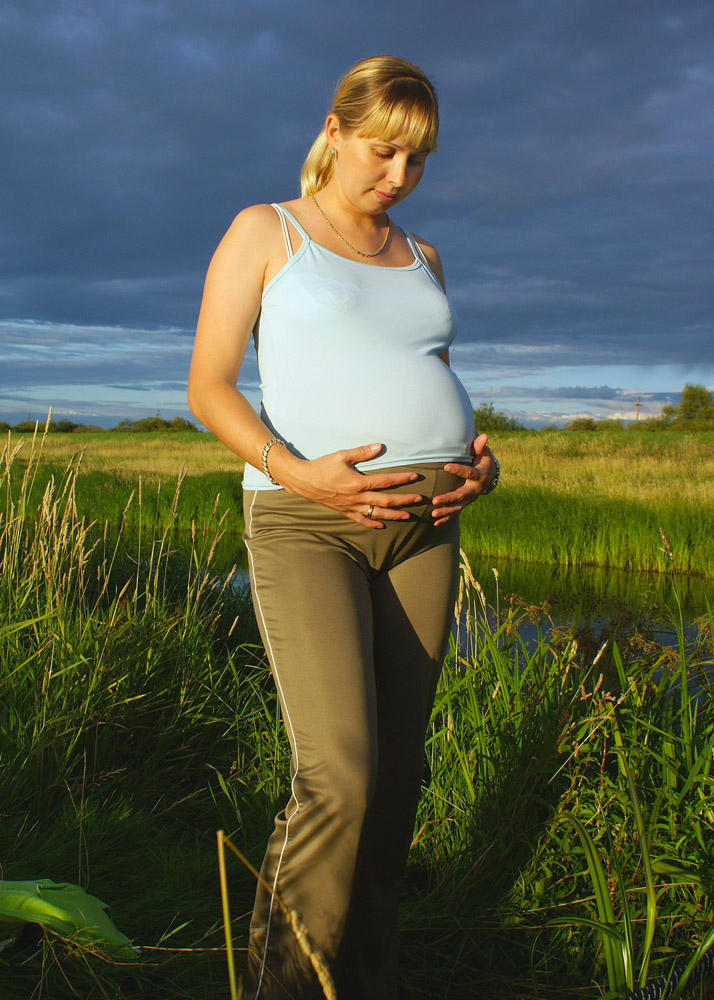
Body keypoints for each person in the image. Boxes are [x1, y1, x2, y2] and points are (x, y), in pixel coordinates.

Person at [188, 54, 499, 1000]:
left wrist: (477, 466)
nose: (396, 176)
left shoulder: (425, 256)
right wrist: (298, 474)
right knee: (342, 776)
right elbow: (208, 388)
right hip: (306, 523)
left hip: (425, 529)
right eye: (381, 150)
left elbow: (426, 376)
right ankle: (287, 984)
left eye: (416, 161)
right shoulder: (266, 231)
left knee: (398, 777)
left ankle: (363, 978)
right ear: (334, 130)